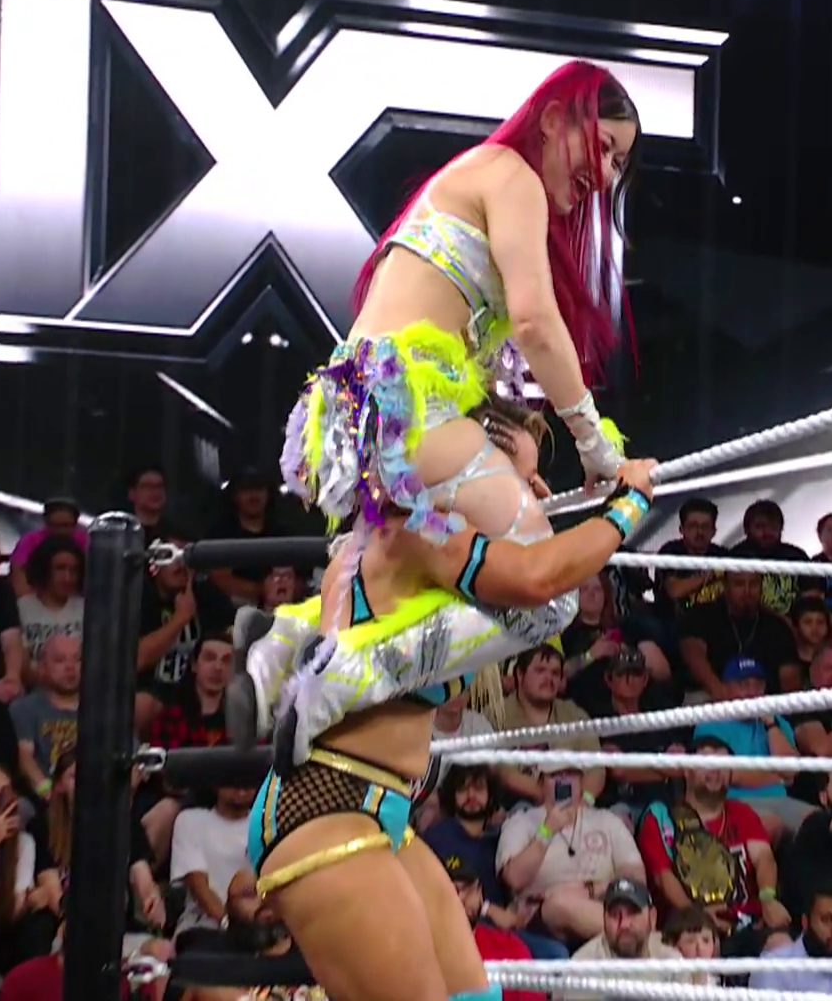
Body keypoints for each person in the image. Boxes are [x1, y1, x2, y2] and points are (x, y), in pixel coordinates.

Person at [255, 59, 647, 741]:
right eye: (606, 147)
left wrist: (526, 468)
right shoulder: (512, 174)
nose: (609, 175)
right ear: (556, 119)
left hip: (354, 417)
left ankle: (289, 638)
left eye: (620, 162)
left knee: (414, 568)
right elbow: (536, 323)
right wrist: (597, 446)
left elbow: (483, 365)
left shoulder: (477, 179)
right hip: (408, 410)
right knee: (546, 600)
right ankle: (351, 673)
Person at [243, 400, 658, 1001]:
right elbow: (543, 580)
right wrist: (630, 502)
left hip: (383, 809)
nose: (534, 492)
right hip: (325, 806)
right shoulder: (421, 529)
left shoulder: (406, 546)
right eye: (521, 475)